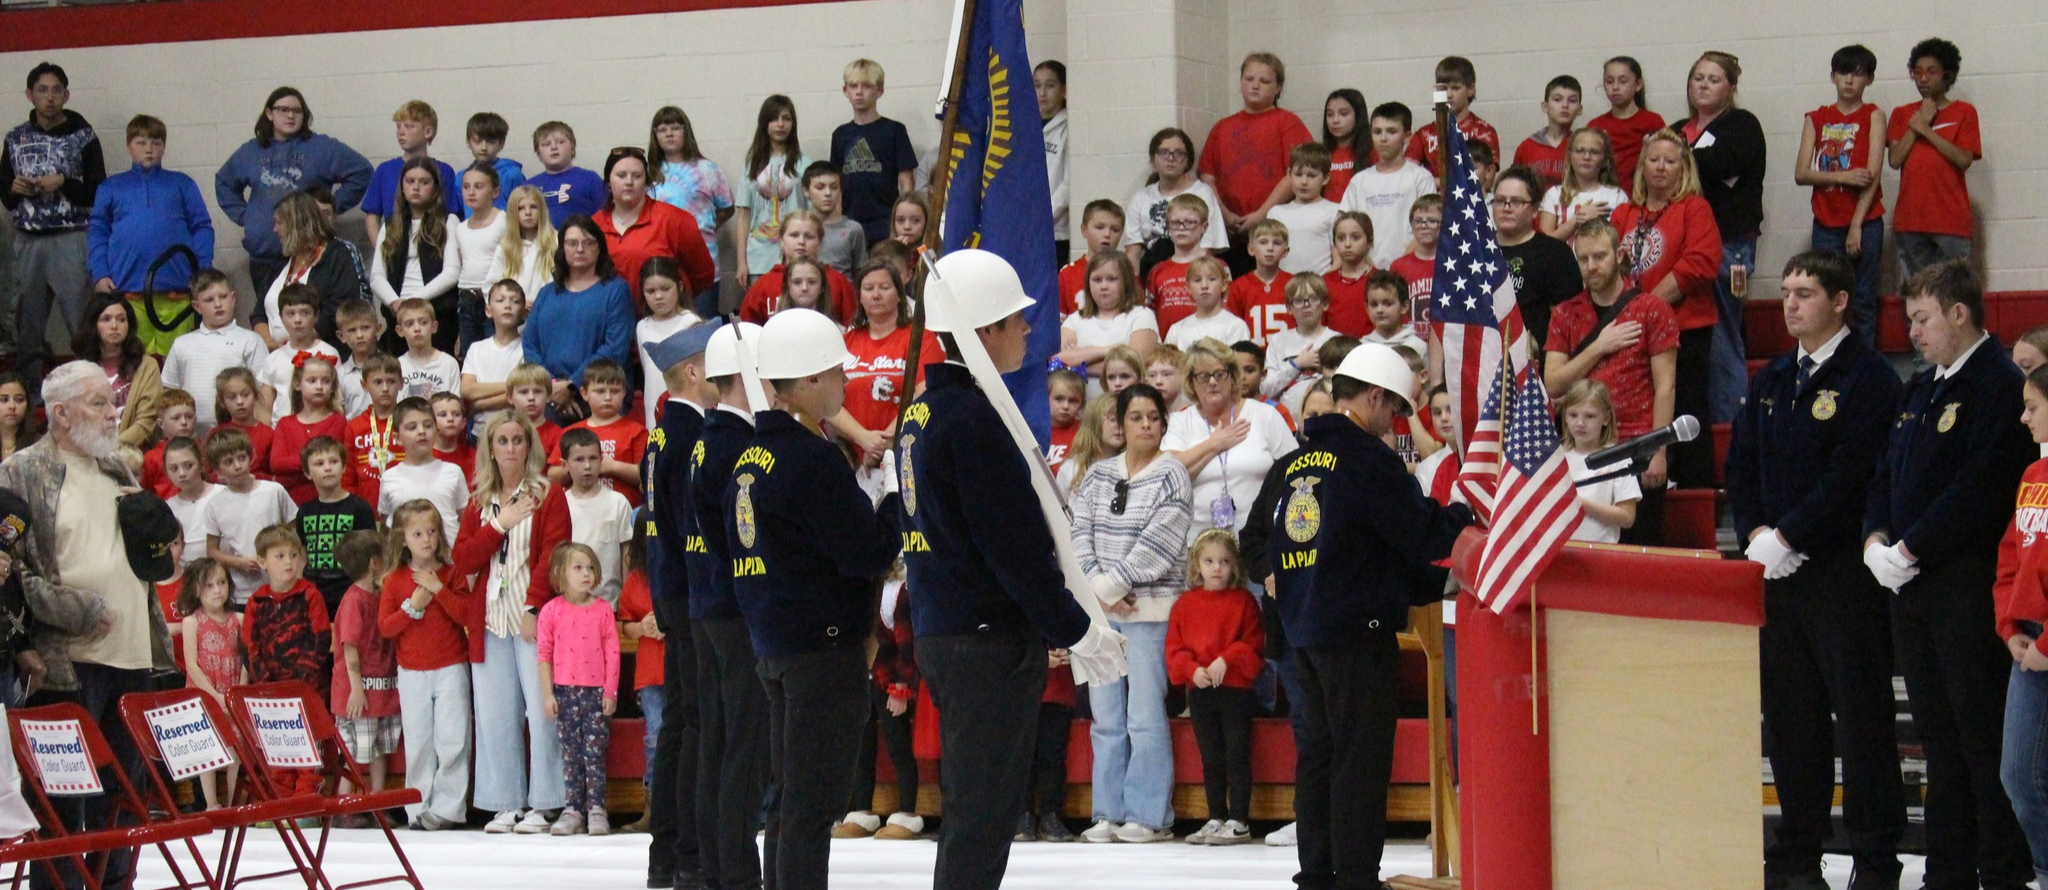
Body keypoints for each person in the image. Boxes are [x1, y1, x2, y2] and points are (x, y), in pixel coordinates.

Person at [894, 249, 1122, 884]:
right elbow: (1011, 547)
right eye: (1016, 319)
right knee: (984, 810)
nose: (1027, 329)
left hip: (951, 627)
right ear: (984, 330)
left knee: (977, 804)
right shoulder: (971, 418)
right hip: (984, 638)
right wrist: (1074, 628)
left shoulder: (922, 413)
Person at [1725, 250, 1904, 890]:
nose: (1791, 303)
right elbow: (1741, 464)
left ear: (1838, 302)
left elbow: (1854, 473)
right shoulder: (1773, 378)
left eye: (1805, 293)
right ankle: (1798, 856)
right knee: (1793, 723)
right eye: (1788, 291)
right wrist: (1754, 536)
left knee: (1860, 721)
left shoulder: (1872, 379)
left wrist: (1793, 534)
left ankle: (1875, 857)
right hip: (1777, 577)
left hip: (1841, 576)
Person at [1268, 343, 1473, 888]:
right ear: (1375, 396)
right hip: (1357, 632)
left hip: (1301, 633)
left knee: (1317, 757)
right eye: (1395, 410)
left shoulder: (1292, 463)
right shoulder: (1368, 460)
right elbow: (1418, 534)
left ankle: (1315, 874)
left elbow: (1280, 544)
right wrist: (1468, 510)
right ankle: (1356, 877)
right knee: (1360, 761)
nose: (1394, 424)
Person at [1864, 260, 2035, 890]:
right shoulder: (1919, 386)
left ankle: (2004, 869)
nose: (1912, 331)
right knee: (1936, 739)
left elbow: (1981, 487)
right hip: (1911, 590)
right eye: (1909, 319)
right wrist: (1875, 539)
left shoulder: (1998, 382)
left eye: (1921, 318)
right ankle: (1948, 869)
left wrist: (1910, 548)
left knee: (1978, 737)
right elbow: (1885, 471)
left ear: (1959, 313)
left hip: (1965, 584)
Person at [729, 308, 898, 890]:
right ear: (806, 383)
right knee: (809, 806)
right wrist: (896, 503)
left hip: (775, 643)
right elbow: (864, 553)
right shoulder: (812, 459)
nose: (845, 384)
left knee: (789, 802)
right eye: (835, 374)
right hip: (821, 651)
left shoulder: (751, 457)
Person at [0, 361, 168, 886]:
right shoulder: (22, 470)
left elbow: (149, 555)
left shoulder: (118, 466)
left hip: (133, 652)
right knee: (61, 796)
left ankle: (115, 885)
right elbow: (10, 572)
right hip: (65, 660)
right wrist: (77, 608)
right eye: (98, 403)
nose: (113, 413)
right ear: (62, 413)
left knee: (124, 794)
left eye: (111, 401)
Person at [1072, 382, 1193, 844]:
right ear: (1119, 424)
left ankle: (1149, 814)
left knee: (1143, 715)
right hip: (1099, 614)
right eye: (1136, 417)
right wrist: (1097, 590)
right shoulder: (1099, 475)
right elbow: (1078, 532)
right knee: (1106, 717)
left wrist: (1109, 586)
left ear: (1164, 423)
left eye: (1153, 417)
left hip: (1149, 611)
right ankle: (1107, 811)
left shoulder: (1172, 475)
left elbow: (1159, 544)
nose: (1145, 425)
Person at [452, 409, 572, 835]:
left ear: (529, 446)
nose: (509, 448)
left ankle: (546, 802)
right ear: (489, 448)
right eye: (501, 441)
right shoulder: (479, 499)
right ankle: (504, 802)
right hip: (487, 618)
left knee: (542, 712)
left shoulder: (547, 494)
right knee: (495, 714)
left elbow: (553, 554)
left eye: (517, 440)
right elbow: (463, 558)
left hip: (530, 615)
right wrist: (499, 525)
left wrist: (534, 607)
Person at [1544, 219, 1678, 544]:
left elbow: (1666, 387)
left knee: (1638, 553)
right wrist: (1600, 345)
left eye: (1599, 256)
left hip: (1637, 445)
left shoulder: (1652, 309)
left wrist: (1658, 451)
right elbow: (1552, 383)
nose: (1591, 266)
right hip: (1581, 447)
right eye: (1583, 259)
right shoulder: (1565, 313)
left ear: (1619, 254)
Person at [685, 321, 761, 890]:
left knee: (717, 741)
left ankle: (717, 867)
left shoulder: (707, 437)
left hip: (708, 603)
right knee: (739, 747)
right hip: (734, 608)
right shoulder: (737, 445)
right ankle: (735, 872)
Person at [1609, 131, 1720, 490]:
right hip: (1631, 331)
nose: (1660, 167)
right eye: (1653, 160)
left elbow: (1700, 264)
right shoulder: (1624, 212)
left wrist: (1647, 307)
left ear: (1683, 168)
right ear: (1641, 166)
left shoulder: (1694, 208)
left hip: (1684, 328)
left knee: (1685, 407)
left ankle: (1694, 490)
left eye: (1670, 161)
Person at [1675, 51, 1765, 425]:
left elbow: (1722, 164)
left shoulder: (1741, 124)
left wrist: (1679, 160)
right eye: (1698, 77)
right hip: (1684, 248)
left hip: (1729, 246)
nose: (1704, 85)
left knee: (1724, 332)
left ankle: (1732, 425)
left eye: (1714, 79)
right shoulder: (1679, 128)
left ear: (1731, 87)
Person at [215, 86, 371, 296]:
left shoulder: (321, 148)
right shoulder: (251, 151)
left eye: (297, 111)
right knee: (269, 318)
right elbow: (224, 182)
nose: (290, 115)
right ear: (269, 114)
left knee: (307, 319)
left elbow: (362, 172)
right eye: (283, 110)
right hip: (265, 258)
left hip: (310, 256)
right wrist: (247, 216)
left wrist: (329, 208)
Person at [377, 498, 474, 831]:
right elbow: (386, 627)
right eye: (417, 533)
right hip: (412, 671)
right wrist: (412, 606)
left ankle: (448, 808)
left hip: (450, 666)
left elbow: (465, 614)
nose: (426, 539)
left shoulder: (451, 572)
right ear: (403, 539)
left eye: (432, 531)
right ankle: (417, 808)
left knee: (453, 738)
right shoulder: (394, 580)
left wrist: (438, 589)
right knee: (418, 741)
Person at [5, 63, 104, 383]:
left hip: (72, 238)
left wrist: (63, 182)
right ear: (30, 95)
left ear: (66, 95)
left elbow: (97, 190)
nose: (49, 97)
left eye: (56, 90)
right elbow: (6, 195)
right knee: (27, 324)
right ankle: (30, 394)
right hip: (27, 240)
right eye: (43, 90)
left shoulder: (83, 135)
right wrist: (14, 189)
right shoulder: (15, 138)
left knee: (81, 321)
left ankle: (91, 388)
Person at [87, 114, 214, 355]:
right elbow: (98, 231)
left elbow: (202, 227)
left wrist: (202, 271)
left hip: (177, 290)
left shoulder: (182, 184)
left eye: (156, 143)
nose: (149, 150)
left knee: (178, 359)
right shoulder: (111, 187)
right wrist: (100, 273)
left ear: (164, 147)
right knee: (134, 361)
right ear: (129, 146)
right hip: (128, 289)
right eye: (141, 143)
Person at [1168, 529, 1264, 846]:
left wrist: (1228, 658)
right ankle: (1215, 817)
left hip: (1235, 691)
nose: (1217, 568)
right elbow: (1175, 649)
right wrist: (1191, 671)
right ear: (1197, 565)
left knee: (1237, 753)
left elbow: (1254, 644)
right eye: (1209, 561)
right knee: (1210, 757)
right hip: (1201, 692)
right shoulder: (1185, 604)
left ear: (1234, 565)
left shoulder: (1244, 601)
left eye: (1224, 561)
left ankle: (1238, 819)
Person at [1797, 45, 1887, 345]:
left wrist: (1856, 225)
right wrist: (1843, 176)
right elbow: (1801, 173)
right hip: (1825, 221)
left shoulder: (1873, 116)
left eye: (1859, 74)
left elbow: (1871, 175)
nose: (1850, 80)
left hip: (1865, 221)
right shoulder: (1816, 117)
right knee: (1826, 298)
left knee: (1862, 300)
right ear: (1833, 76)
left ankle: (1864, 370)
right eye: (1844, 73)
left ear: (1869, 80)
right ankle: (1829, 362)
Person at [1166, 338, 1296, 542]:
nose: (1212, 382)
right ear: (1191, 382)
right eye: (1202, 376)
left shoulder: (1265, 415)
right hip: (1197, 546)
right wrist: (1215, 443)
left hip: (1258, 543)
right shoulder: (1181, 421)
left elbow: (1295, 472)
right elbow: (1166, 472)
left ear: (1233, 376)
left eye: (1219, 374)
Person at [1998, 364, 2048, 890]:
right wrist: (2010, 621)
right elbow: (2012, 554)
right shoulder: (2034, 477)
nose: (2023, 417)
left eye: (2033, 406)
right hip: (2029, 643)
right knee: (2019, 776)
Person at [1198, 52, 1313, 273]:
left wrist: (1261, 214)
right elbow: (1207, 178)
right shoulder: (1222, 127)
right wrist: (1225, 215)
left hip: (1273, 230)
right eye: (1249, 79)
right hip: (1230, 233)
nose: (1255, 86)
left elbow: (1296, 174)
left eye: (1264, 81)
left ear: (1278, 87)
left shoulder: (1287, 122)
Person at [536, 542, 620, 837]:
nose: (586, 574)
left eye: (590, 568)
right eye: (578, 567)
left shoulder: (602, 610)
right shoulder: (550, 611)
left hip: (595, 693)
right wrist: (548, 694)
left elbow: (612, 652)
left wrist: (610, 691)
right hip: (565, 692)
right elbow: (544, 655)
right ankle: (573, 808)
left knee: (594, 751)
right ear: (560, 573)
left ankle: (597, 808)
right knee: (571, 753)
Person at [242, 523, 332, 796]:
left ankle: (305, 799)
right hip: (270, 692)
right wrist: (266, 685)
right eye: (279, 556)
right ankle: (279, 798)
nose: (288, 562)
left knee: (307, 743)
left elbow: (319, 639)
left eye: (293, 555)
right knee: (277, 745)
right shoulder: (256, 602)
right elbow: (250, 646)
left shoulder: (310, 595)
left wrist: (299, 683)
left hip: (307, 689)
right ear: (262, 561)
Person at [526, 215, 636, 424]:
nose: (579, 249)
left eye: (588, 243)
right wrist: (552, 387)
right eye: (572, 243)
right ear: (562, 249)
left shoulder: (615, 290)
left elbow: (614, 349)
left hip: (599, 393)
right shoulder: (547, 293)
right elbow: (530, 345)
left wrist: (573, 386)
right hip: (550, 396)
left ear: (599, 248)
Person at [832, 258, 941, 464]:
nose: (876, 295)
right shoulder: (845, 342)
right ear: (860, 297)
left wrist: (886, 441)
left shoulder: (921, 339)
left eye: (884, 287)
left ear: (899, 294)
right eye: (868, 288)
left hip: (906, 451)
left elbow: (925, 394)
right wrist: (863, 438)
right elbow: (826, 399)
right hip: (851, 457)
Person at [328, 529, 396, 824]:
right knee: (354, 753)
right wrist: (356, 689)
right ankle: (344, 807)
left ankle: (376, 803)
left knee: (379, 749)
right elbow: (349, 647)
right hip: (358, 693)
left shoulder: (379, 594)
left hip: (381, 689)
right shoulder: (354, 600)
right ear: (374, 562)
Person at [596, 147, 715, 314]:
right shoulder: (594, 225)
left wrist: (674, 303)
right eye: (621, 175)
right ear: (608, 182)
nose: (629, 182)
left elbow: (703, 275)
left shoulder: (674, 219)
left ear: (646, 181)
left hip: (665, 319)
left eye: (637, 176)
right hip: (613, 320)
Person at [255, 191, 371, 350]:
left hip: (320, 355)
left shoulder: (337, 255)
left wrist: (296, 343)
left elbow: (338, 308)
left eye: (279, 223)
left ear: (296, 224)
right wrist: (269, 343)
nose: (275, 229)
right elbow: (258, 312)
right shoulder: (281, 260)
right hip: (275, 355)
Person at [646, 105, 734, 307]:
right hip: (661, 267)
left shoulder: (708, 169)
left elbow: (727, 208)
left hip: (703, 265)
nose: (669, 134)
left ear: (686, 131)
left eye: (675, 128)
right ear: (655, 136)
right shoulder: (648, 173)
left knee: (702, 328)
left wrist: (699, 229)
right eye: (662, 129)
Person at [370, 161, 461, 353]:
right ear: (402, 187)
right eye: (410, 181)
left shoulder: (448, 221)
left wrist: (414, 301)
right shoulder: (391, 223)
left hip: (437, 313)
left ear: (436, 188)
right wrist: (396, 303)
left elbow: (452, 273)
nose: (416, 187)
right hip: (398, 314)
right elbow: (377, 275)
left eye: (424, 182)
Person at [1493, 166, 1585, 352]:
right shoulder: (1477, 251)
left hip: (1535, 364)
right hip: (1482, 362)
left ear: (1535, 210)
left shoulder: (1556, 254)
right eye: (1500, 201)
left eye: (1517, 202)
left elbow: (1569, 324)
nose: (1506, 208)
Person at [177, 557, 242, 809]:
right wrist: (215, 697)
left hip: (232, 690)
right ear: (196, 590)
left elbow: (245, 661)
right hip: (205, 693)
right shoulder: (191, 621)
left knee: (235, 751)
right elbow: (192, 664)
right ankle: (211, 803)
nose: (217, 590)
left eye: (222, 582)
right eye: (209, 585)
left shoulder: (238, 619)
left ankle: (236, 803)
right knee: (210, 751)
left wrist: (236, 694)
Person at [1340, 103, 1437, 270]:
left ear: (1407, 137)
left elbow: (1426, 226)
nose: (1383, 139)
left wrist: (1402, 265)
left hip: (1410, 267)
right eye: (1377, 132)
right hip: (1368, 270)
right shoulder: (1360, 181)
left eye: (1391, 132)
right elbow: (1345, 226)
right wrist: (1368, 265)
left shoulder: (1420, 177)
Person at [1121, 128, 1229, 275]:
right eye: (1164, 152)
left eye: (1179, 154)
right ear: (1153, 160)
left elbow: (1208, 249)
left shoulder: (1202, 193)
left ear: (1187, 161)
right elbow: (1133, 253)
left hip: (1192, 271)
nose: (1171, 158)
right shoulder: (1141, 198)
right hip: (1153, 272)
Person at [832, 59, 917, 244]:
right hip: (850, 222)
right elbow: (835, 184)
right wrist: (837, 223)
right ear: (845, 91)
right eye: (853, 86)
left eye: (867, 86)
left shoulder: (895, 131)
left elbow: (907, 183)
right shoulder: (840, 135)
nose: (859, 92)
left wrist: (903, 221)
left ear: (879, 91)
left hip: (885, 222)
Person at [734, 95, 812, 289]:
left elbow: (813, 216)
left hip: (796, 258)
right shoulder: (752, 165)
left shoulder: (804, 164)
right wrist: (742, 262)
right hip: (759, 258)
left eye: (786, 118)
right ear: (764, 123)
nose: (780, 124)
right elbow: (743, 214)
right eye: (774, 119)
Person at [361, 101, 462, 247]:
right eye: (398, 127)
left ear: (428, 132)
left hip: (434, 247)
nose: (401, 132)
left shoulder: (444, 171)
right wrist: (380, 249)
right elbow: (372, 215)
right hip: (395, 246)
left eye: (409, 126)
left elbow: (452, 216)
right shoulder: (385, 170)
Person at [1059, 251, 1159, 395]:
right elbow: (1059, 363)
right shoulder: (1074, 320)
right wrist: (1107, 350)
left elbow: (1136, 366)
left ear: (1126, 282)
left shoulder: (1142, 315)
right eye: (1097, 280)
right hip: (1085, 412)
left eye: (1112, 279)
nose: (1103, 286)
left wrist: (1079, 361)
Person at [295, 436, 376, 616]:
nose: (328, 467)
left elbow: (371, 552)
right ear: (307, 473)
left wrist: (367, 587)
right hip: (315, 589)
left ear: (344, 467)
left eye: (333, 461)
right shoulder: (305, 511)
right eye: (319, 463)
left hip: (350, 588)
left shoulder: (359, 507)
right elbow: (303, 552)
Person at [71, 293, 162, 449]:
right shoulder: (78, 370)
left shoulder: (146, 366)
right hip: (87, 452)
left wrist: (112, 448)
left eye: (121, 319)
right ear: (93, 325)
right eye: (106, 319)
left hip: (132, 453)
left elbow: (147, 421)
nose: (114, 326)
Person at [1556, 380, 1640, 543]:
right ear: (1565, 416)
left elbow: (1627, 517)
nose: (1580, 423)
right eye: (1573, 415)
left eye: (1590, 416)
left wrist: (1581, 504)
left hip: (1601, 553)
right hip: (1563, 550)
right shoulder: (1556, 458)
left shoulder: (1618, 459)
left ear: (1606, 418)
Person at [377, 397, 468, 544]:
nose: (422, 432)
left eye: (428, 425)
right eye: (412, 427)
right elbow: (386, 527)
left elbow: (466, 520)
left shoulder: (453, 472)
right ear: (398, 438)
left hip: (451, 561)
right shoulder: (390, 477)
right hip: (406, 562)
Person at [558, 358, 646, 506]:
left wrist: (612, 467)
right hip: (579, 511)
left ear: (624, 392)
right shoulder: (571, 432)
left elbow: (646, 475)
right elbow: (554, 475)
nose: (608, 397)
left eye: (615, 391)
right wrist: (578, 467)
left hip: (623, 512)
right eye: (600, 391)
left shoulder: (636, 431)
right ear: (584, 393)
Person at [558, 429, 632, 597]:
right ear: (564, 465)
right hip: (569, 605)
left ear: (601, 460)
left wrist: (626, 601)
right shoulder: (561, 505)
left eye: (593, 458)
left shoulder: (618, 502)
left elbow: (627, 556)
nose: (587, 466)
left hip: (609, 602)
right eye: (579, 459)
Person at [268, 354, 349, 505]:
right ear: (298, 384)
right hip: (292, 502)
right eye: (312, 381)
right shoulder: (284, 424)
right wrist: (312, 464)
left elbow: (327, 462)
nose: (319, 386)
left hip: (328, 500)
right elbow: (276, 463)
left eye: (326, 381)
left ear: (332, 387)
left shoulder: (337, 421)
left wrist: (287, 477)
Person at [1406, 56, 1500, 176]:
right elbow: (1409, 176)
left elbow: (1488, 180)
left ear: (1471, 89)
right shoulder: (1423, 134)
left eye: (1455, 88)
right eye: (1444, 89)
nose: (1449, 95)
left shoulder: (1485, 132)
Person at [451, 162, 507, 354]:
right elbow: (463, 263)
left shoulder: (504, 221)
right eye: (466, 187)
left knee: (496, 352)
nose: (471, 192)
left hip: (493, 298)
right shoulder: (461, 228)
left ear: (495, 192)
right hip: (466, 298)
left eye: (479, 186)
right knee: (470, 355)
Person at [1589, 57, 1665, 198]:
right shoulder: (1596, 126)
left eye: (1623, 81)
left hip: (1643, 196)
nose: (1615, 87)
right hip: (1605, 199)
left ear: (1638, 85)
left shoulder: (1652, 121)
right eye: (1609, 81)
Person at [461, 281, 529, 435]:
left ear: (523, 313)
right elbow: (467, 390)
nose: (508, 305)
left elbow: (524, 393)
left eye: (515, 301)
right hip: (479, 432)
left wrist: (479, 405)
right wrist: (511, 387)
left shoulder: (527, 349)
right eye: (500, 300)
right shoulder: (476, 348)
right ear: (488, 311)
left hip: (515, 430)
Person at [1537, 128, 1628, 242]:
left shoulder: (1617, 196)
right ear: (1569, 156)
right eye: (1580, 150)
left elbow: (1622, 243)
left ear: (1605, 160)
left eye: (1594, 152)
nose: (1586, 157)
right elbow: (1544, 245)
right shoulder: (1554, 194)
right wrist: (1577, 219)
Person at [1268, 144, 1340, 277]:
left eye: (1312, 176)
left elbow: (1338, 259)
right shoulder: (1276, 213)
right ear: (1289, 174)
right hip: (1283, 287)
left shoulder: (1334, 211)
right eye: (1298, 174)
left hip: (1319, 288)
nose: (1304, 181)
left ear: (1325, 178)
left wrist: (1321, 284)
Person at [344, 354, 405, 510]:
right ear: (364, 385)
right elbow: (348, 475)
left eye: (391, 381)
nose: (385, 388)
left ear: (401, 383)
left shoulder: (410, 422)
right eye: (378, 382)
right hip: (366, 508)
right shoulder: (355, 426)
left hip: (405, 507)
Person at [487, 185, 558, 306]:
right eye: (521, 208)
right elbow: (491, 286)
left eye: (533, 207)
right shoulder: (506, 247)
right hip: (515, 316)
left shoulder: (556, 242)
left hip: (549, 310)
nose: (528, 213)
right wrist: (514, 303)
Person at [526, 121, 604, 229]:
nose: (553, 147)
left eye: (560, 142)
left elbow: (605, 217)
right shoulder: (529, 186)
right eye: (546, 144)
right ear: (538, 153)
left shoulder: (590, 179)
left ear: (572, 148)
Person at [1515, 76, 1583, 191]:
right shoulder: (1527, 147)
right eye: (1557, 99)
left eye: (1572, 100)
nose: (1565, 105)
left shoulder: (1583, 146)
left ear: (1580, 109)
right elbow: (1515, 187)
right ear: (1544, 106)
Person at [1167, 258, 1251, 350]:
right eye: (1197, 280)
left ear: (1224, 285)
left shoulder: (1236, 326)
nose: (1204, 286)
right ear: (1188, 288)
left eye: (1212, 279)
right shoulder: (1176, 330)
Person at [1035, 59, 1071, 263]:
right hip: (1025, 227)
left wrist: (1044, 215)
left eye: (1050, 85)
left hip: (1056, 231)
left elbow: (1068, 184)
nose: (1042, 93)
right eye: (1037, 85)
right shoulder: (1023, 127)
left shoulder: (1068, 128)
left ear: (1064, 90)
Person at [805, 162, 866, 278]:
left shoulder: (853, 229)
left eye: (834, 187)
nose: (828, 193)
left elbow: (860, 274)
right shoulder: (798, 227)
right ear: (806, 191)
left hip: (843, 291)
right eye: (820, 187)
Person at [393, 298, 459, 400]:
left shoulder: (449, 363)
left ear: (434, 326)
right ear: (400, 330)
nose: (417, 329)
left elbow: (455, 404)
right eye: (409, 324)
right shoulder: (397, 366)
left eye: (423, 322)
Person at [466, 111, 525, 211]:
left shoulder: (512, 175)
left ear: (501, 144)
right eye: (478, 141)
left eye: (491, 142)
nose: (484, 147)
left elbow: (523, 208)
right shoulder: (462, 178)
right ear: (468, 142)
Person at [1320, 89, 1370, 202]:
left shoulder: (1372, 152)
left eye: (1343, 114)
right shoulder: (1321, 153)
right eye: (1330, 114)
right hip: (1328, 216)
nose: (1335, 120)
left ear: (1358, 116)